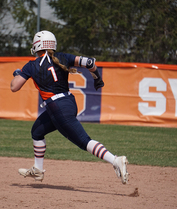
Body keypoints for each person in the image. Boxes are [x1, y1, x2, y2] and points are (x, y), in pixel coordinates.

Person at [10, 30, 129, 184]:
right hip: (69, 103)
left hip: (56, 107)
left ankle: (115, 160)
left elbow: (14, 87)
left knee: (83, 141)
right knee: (37, 131)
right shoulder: (63, 57)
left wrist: (18, 73)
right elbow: (90, 63)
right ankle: (38, 170)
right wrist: (97, 78)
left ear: (37, 46)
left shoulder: (31, 65)